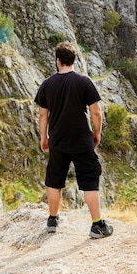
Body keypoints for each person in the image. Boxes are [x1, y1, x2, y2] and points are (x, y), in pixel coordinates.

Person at [35, 40, 113, 239]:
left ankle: (52, 219)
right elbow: (96, 112)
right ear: (73, 60)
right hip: (81, 141)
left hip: (58, 141)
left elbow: (43, 115)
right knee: (89, 181)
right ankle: (97, 225)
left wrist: (44, 138)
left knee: (54, 180)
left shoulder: (47, 84)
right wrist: (97, 133)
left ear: (58, 60)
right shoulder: (83, 82)